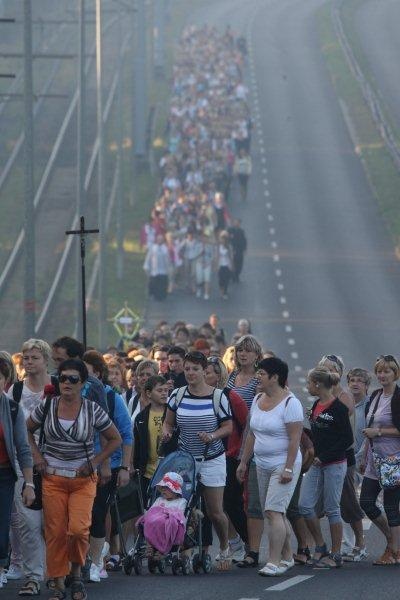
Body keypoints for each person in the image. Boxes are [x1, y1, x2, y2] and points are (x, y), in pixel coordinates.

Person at [26, 359, 122, 600]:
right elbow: (25, 430)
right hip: (53, 479)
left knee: (78, 530)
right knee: (56, 532)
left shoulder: (92, 409)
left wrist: (95, 462)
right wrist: (37, 456)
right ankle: (58, 582)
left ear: (83, 383)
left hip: (83, 479)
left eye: (73, 379)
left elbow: (115, 438)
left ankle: (76, 573)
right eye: (63, 378)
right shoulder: (47, 406)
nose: (66, 383)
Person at [162, 351, 233, 569]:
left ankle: (224, 547)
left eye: (195, 369)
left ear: (204, 371)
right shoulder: (177, 395)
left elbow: (228, 427)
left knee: (215, 511)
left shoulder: (218, 396)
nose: (191, 373)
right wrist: (166, 432)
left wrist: (211, 436)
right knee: (182, 507)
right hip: (185, 459)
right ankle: (185, 551)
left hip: (211, 457)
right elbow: (168, 423)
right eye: (187, 369)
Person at [237, 358, 303, 577]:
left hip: (284, 463)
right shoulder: (257, 399)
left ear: (275, 377)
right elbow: (252, 434)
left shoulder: (290, 403)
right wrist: (244, 462)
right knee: (275, 512)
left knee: (273, 511)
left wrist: (288, 468)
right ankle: (287, 557)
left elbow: (295, 440)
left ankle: (273, 562)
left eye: (262, 373)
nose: (258, 376)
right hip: (261, 463)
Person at [7, 339, 53, 596]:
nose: (29, 363)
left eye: (34, 358)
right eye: (26, 358)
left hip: (56, 462)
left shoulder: (59, 387)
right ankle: (33, 575)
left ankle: (59, 571)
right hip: (22, 463)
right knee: (27, 522)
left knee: (54, 522)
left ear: (46, 360)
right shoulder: (14, 392)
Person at [82, 350, 133, 582]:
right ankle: (85, 557)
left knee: (99, 511)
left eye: (85, 372)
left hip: (108, 464)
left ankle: (96, 561)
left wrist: (124, 467)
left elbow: (126, 434)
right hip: (80, 464)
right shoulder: (71, 400)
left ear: (97, 373)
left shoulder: (112, 397)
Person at [298, 366, 353, 569]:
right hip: (316, 463)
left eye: (309, 383)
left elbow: (347, 439)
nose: (307, 386)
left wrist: (326, 456)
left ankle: (336, 554)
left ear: (319, 384)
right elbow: (318, 434)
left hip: (335, 464)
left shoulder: (338, 408)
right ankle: (321, 546)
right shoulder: (315, 405)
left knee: (332, 509)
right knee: (304, 505)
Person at [226, 334, 264, 569]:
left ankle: (254, 549)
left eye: (248, 351)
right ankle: (248, 542)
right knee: (230, 499)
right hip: (230, 444)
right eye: (240, 350)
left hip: (251, 442)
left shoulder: (259, 379)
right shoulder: (232, 376)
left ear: (256, 355)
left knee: (248, 500)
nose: (243, 354)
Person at [205, 357, 248, 561]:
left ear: (219, 376)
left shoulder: (231, 397)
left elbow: (247, 425)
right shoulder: (196, 397)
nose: (204, 376)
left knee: (231, 504)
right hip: (207, 456)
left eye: (208, 372)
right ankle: (234, 543)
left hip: (230, 456)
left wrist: (241, 455)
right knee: (214, 507)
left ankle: (249, 544)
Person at [359, 355, 400, 565]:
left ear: (395, 374)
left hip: (393, 460)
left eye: (387, 371)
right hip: (374, 460)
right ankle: (393, 541)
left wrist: (380, 432)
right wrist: (364, 456)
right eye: (380, 371)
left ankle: (394, 551)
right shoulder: (375, 396)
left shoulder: (398, 397)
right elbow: (369, 431)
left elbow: (379, 430)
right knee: (366, 501)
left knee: (392, 506)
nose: (383, 375)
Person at [0, 358, 35, 589]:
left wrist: (29, 483)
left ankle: (1, 566)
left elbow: (23, 448)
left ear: (5, 381)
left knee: (2, 528)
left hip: (4, 475)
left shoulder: (12, 408)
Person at [133, 376, 169, 502]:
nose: (164, 393)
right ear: (148, 393)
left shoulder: (173, 413)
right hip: (148, 473)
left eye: (166, 390)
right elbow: (136, 444)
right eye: (160, 390)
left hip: (170, 472)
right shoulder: (141, 418)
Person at [137, 472, 187, 557]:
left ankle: (163, 548)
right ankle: (150, 546)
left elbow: (179, 515)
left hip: (167, 523)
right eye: (162, 487)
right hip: (155, 523)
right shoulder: (159, 500)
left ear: (175, 490)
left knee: (171, 523)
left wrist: (167, 514)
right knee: (147, 520)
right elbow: (152, 511)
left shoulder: (181, 502)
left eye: (167, 488)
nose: (163, 490)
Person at [143, 234, 170, 301]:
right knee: (153, 284)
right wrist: (146, 266)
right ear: (156, 240)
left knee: (162, 286)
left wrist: (168, 269)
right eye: (159, 239)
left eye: (161, 240)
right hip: (154, 271)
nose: (160, 241)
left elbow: (167, 259)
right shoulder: (153, 248)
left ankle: (161, 297)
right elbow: (148, 258)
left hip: (163, 271)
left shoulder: (165, 249)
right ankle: (153, 296)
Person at [217, 230, 233, 300]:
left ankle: (225, 293)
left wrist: (232, 265)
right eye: (221, 239)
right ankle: (222, 292)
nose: (222, 241)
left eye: (223, 239)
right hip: (220, 266)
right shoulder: (219, 247)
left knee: (226, 280)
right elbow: (217, 256)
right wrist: (216, 265)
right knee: (221, 280)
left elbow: (230, 257)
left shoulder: (228, 247)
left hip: (227, 266)